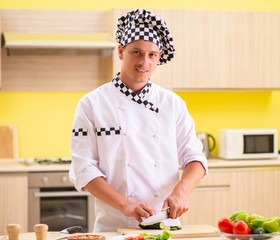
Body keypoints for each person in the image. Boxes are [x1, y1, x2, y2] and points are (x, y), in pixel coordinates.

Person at [69, 8, 208, 232]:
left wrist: (182, 191)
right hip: (113, 226)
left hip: (165, 225)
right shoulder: (92, 104)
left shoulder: (172, 104)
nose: (144, 62)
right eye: (137, 52)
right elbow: (84, 168)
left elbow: (195, 158)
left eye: (152, 55)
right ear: (121, 51)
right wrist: (125, 205)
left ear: (159, 57)